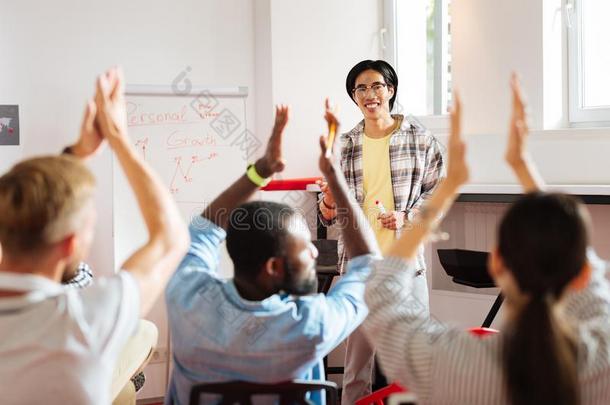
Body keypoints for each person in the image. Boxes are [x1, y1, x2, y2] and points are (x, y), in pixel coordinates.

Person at [362, 77, 610, 404]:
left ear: (495, 263)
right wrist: (523, 165)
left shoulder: (452, 364)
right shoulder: (602, 355)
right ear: (580, 274)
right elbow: (574, 256)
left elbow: (381, 294)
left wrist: (448, 187)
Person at [164, 103, 380, 405]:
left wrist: (261, 170)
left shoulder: (187, 299)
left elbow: (202, 229)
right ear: (274, 267)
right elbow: (369, 266)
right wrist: (334, 175)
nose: (315, 251)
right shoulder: (311, 326)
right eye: (305, 248)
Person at [0, 67, 189, 405]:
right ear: (71, 244)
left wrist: (75, 157)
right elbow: (171, 237)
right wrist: (119, 139)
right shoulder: (85, 319)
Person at [316, 59, 445, 402]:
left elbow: (439, 194)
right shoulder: (344, 145)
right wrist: (328, 200)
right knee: (357, 363)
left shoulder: (420, 140)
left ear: (390, 90)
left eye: (376, 86)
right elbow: (328, 216)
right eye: (361, 88)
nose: (369, 94)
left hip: (405, 263)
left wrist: (407, 216)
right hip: (360, 268)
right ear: (354, 96)